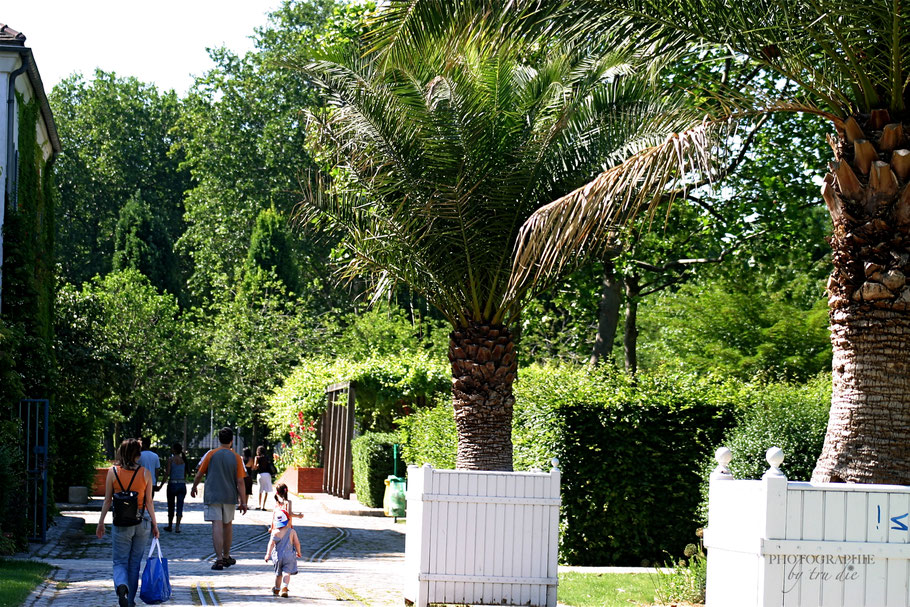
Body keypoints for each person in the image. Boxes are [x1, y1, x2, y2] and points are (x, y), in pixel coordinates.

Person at [96, 438, 160, 607]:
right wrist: (155, 524)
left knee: (119, 562)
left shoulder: (113, 472)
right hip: (141, 522)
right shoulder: (145, 473)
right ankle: (130, 601)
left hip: (121, 523)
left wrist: (101, 522)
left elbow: (107, 501)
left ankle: (121, 585)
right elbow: (149, 502)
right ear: (137, 455)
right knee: (135, 563)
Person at [191, 427, 248, 570]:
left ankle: (219, 559)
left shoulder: (210, 454)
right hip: (229, 495)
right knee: (227, 524)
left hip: (213, 495)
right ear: (232, 440)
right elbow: (240, 481)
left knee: (216, 525)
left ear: (218, 440)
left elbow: (199, 473)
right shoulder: (236, 457)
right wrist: (243, 502)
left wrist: (194, 487)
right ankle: (227, 555)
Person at [264, 509, 301, 597]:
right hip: (289, 556)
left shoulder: (275, 532)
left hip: (278, 556)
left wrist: (268, 554)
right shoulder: (292, 531)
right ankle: (285, 587)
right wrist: (299, 552)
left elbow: (271, 544)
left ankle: (277, 589)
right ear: (288, 520)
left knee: (278, 574)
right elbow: (297, 543)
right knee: (286, 572)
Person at [160, 442, 187, 533]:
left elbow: (167, 473)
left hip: (172, 484)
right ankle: (177, 527)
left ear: (174, 450)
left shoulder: (170, 460)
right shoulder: (183, 460)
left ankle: (170, 525)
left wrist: (161, 485)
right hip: (182, 485)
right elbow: (184, 474)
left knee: (171, 506)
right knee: (180, 505)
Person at [254, 446, 274, 510]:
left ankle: (259, 505)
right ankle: (263, 506)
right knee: (266, 491)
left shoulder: (257, 458)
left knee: (260, 490)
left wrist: (257, 466)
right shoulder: (267, 458)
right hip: (267, 474)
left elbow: (255, 467)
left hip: (260, 474)